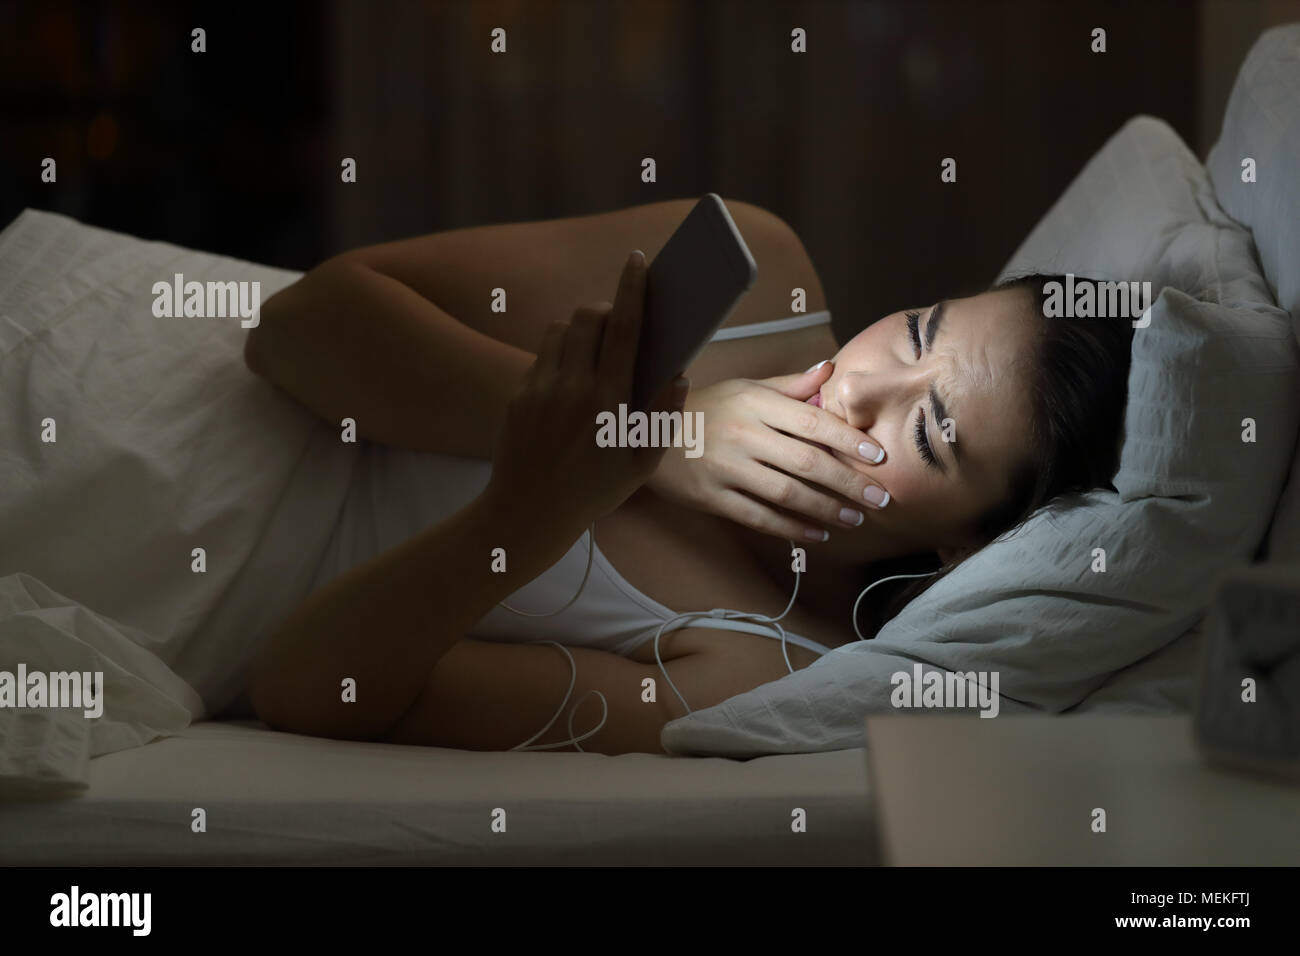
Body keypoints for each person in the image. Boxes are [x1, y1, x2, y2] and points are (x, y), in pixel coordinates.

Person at [242, 198, 1133, 755]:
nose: (859, 389)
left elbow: (304, 689)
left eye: (930, 434)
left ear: (960, 550)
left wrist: (532, 509)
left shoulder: (766, 672)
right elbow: (290, 327)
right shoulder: (757, 274)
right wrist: (657, 435)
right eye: (916, 334)